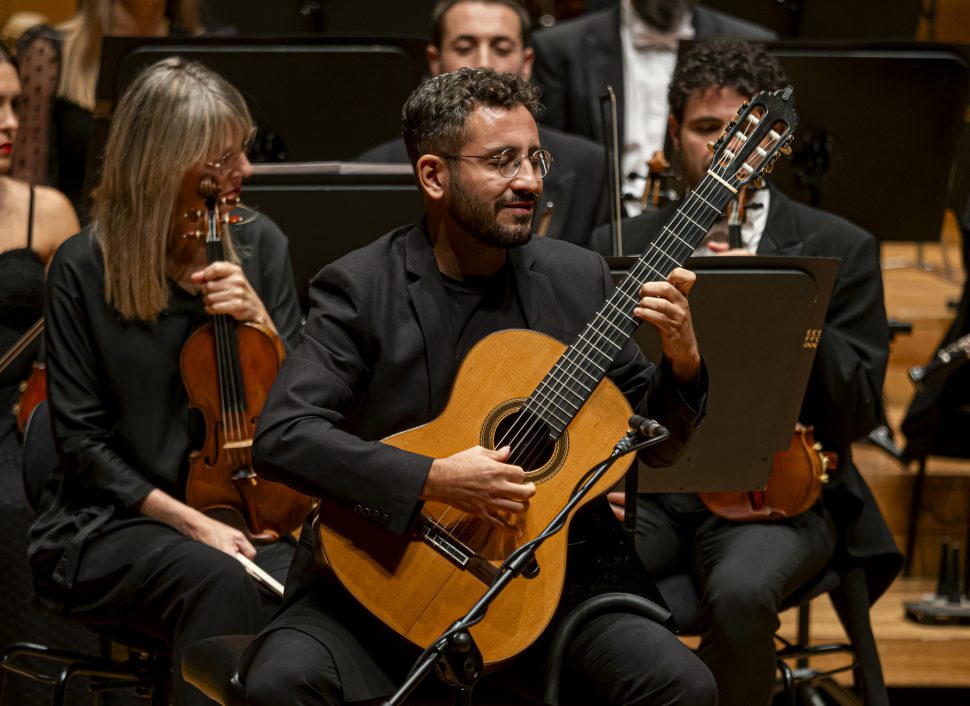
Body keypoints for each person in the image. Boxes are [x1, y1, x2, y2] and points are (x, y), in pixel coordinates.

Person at [242, 67, 717, 705]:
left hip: (545, 571)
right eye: (501, 161)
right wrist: (433, 478)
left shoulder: (577, 277)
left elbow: (651, 444)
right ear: (434, 176)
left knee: (681, 685)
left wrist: (683, 360)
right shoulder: (361, 289)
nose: (528, 181)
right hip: (387, 562)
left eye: (533, 157)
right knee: (281, 682)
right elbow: (282, 437)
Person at [594, 41, 902, 706]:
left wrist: (791, 302)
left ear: (775, 145)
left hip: (780, 496)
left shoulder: (838, 247)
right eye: (708, 131)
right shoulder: (619, 243)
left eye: (745, 137)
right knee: (575, 574)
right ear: (675, 134)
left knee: (738, 594)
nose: (728, 155)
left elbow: (859, 411)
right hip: (654, 492)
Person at [27, 57, 303, 706]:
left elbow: (306, 406)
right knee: (219, 579)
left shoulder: (261, 245)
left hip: (250, 511)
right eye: (220, 160)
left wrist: (265, 324)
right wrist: (193, 523)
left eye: (241, 152)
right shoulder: (82, 266)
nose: (245, 173)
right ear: (162, 165)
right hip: (111, 521)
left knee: (336, 582)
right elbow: (83, 444)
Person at [357, 0, 609, 249]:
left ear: (527, 62)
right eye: (465, 47)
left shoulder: (591, 165)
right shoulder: (371, 169)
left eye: (502, 48)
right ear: (435, 61)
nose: (484, 62)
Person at [0, 45, 81, 704]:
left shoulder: (48, 211)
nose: (9, 124)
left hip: (21, 416)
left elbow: (75, 346)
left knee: (24, 506)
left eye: (13, 105)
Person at [531, 0, 774, 215]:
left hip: (712, 215)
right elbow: (552, 158)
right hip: (599, 226)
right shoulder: (560, 48)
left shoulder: (754, 42)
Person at [12, 0, 203, 215]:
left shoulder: (198, 52)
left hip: (165, 230)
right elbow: (27, 180)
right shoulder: (48, 49)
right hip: (70, 230)